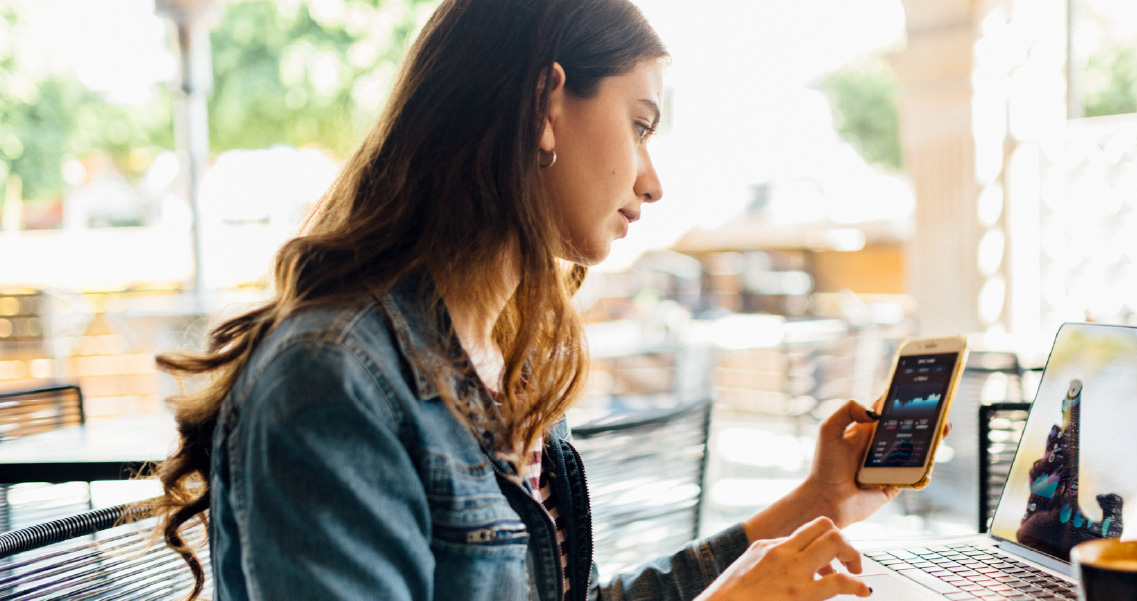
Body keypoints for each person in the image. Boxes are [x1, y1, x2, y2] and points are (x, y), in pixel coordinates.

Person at [153, 0, 906, 599]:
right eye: (638, 125)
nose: (653, 179)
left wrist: (820, 500)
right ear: (547, 103)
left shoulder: (509, 357)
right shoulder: (330, 380)